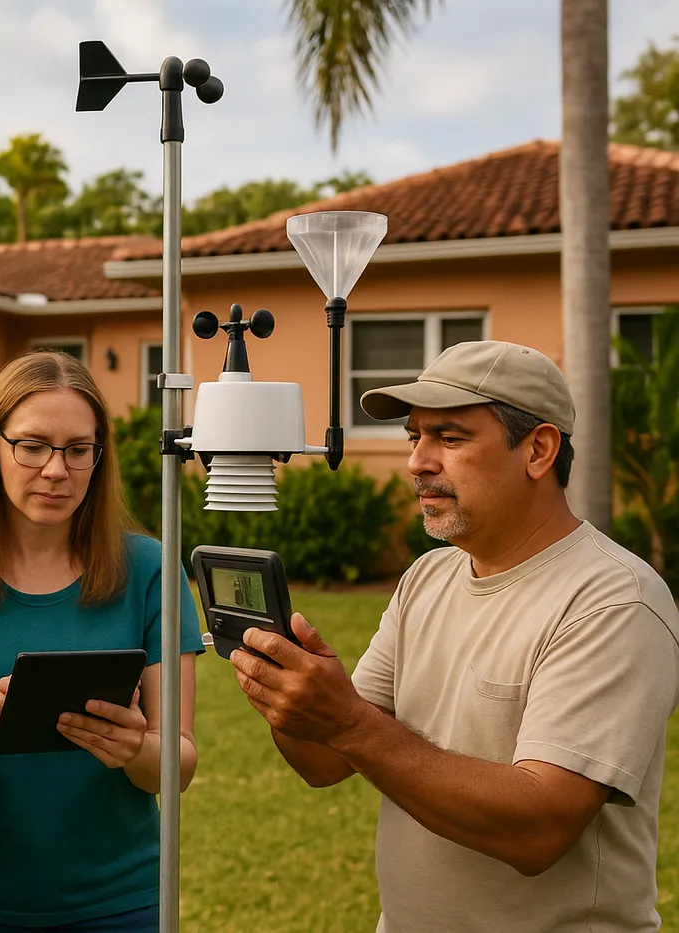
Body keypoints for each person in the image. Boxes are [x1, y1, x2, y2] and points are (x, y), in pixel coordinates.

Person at [231, 340, 679, 931]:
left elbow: (539, 830)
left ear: (539, 450)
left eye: (450, 437)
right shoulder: (429, 576)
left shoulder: (613, 600)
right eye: (414, 437)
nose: (418, 461)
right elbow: (325, 762)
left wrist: (346, 721)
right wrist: (289, 700)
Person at [0, 351, 203, 933]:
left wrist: (134, 746)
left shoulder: (149, 570)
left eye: (78, 450)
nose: (56, 470)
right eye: (32, 445)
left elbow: (179, 764)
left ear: (98, 456)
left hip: (119, 901)